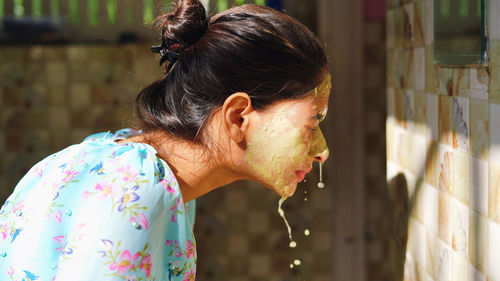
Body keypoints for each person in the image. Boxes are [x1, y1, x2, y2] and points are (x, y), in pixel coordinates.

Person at [0, 0, 331, 280]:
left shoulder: (134, 169)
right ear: (238, 117)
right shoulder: (134, 190)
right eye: (311, 125)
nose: (322, 151)